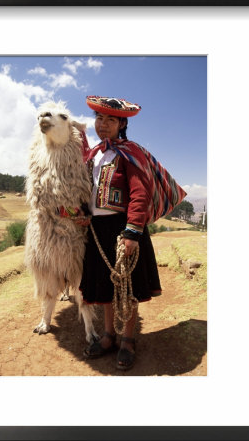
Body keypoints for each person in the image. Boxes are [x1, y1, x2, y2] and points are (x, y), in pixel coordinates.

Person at [77, 96, 186, 371]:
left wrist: (132, 233)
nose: (103, 125)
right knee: (105, 286)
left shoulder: (130, 152)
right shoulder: (93, 155)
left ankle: (127, 339)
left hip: (123, 228)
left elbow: (140, 193)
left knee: (126, 288)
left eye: (110, 120)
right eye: (99, 119)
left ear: (122, 123)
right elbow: (83, 188)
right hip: (97, 230)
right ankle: (108, 336)